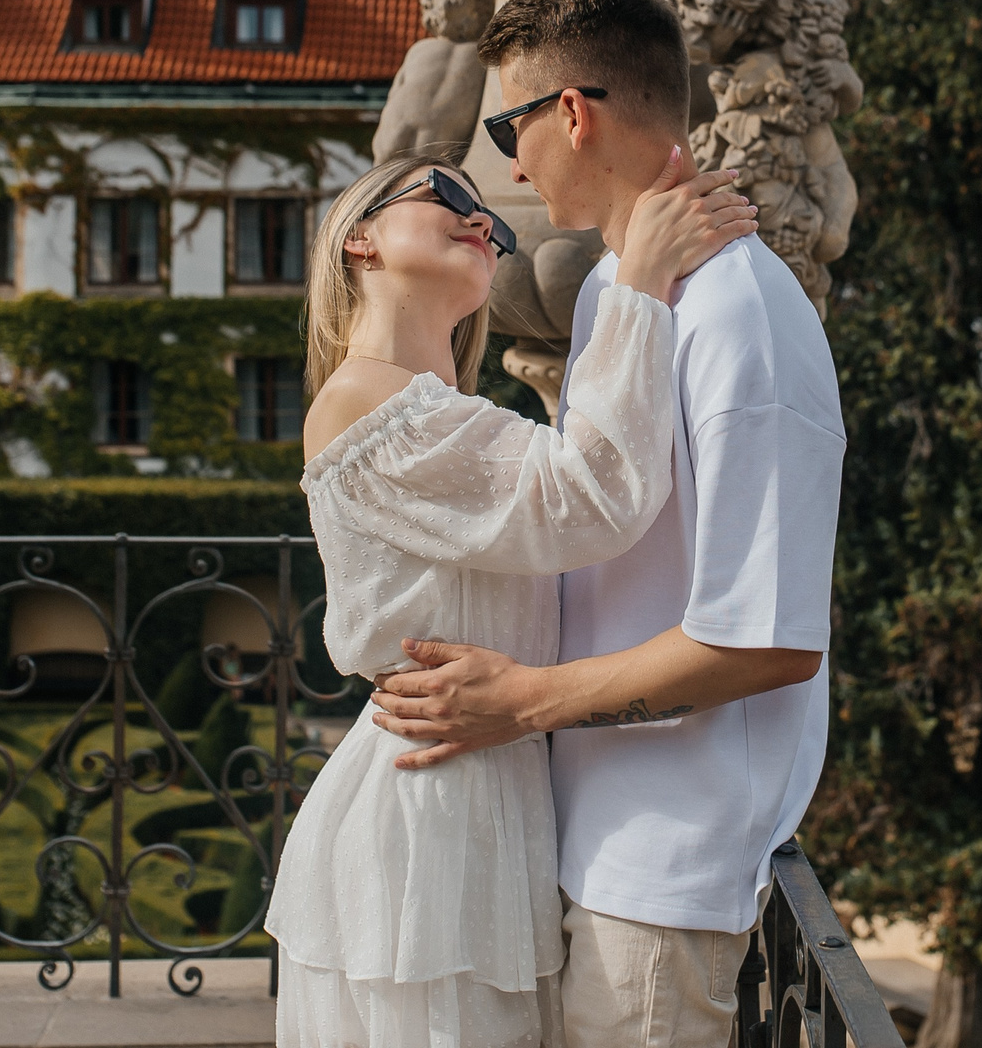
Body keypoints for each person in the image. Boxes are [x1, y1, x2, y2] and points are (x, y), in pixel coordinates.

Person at [372, 0, 847, 1047]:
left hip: (664, 867)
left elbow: (767, 638)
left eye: (508, 125)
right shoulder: (613, 288)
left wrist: (524, 698)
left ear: (571, 114)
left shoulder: (742, 317)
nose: (507, 160)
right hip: (588, 832)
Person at [268, 144, 757, 1047]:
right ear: (359, 242)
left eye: (483, 207)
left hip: (484, 802)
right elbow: (586, 497)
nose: (481, 214)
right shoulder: (362, 399)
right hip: (426, 816)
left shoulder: (448, 409)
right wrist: (640, 279)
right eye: (447, 193)